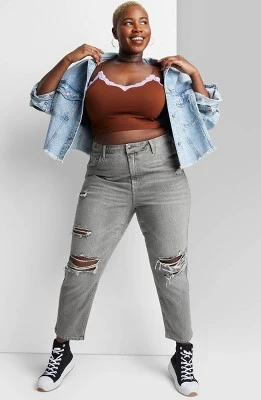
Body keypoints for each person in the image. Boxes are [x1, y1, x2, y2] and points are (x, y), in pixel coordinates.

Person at [30, 1, 222, 396]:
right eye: (128, 22)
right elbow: (41, 98)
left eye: (144, 22)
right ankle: (62, 350)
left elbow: (208, 115)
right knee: (81, 266)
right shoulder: (91, 70)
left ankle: (182, 354)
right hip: (105, 176)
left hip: (163, 174)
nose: (137, 28)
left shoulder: (166, 73)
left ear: (150, 30)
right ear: (115, 31)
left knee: (172, 268)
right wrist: (69, 58)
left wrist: (194, 73)